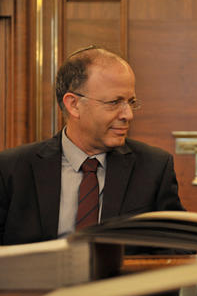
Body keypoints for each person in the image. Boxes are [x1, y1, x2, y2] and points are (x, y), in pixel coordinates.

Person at [0, 46, 185, 245]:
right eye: (115, 102)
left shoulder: (154, 168)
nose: (128, 115)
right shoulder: (12, 169)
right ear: (74, 105)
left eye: (131, 102)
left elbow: (179, 247)